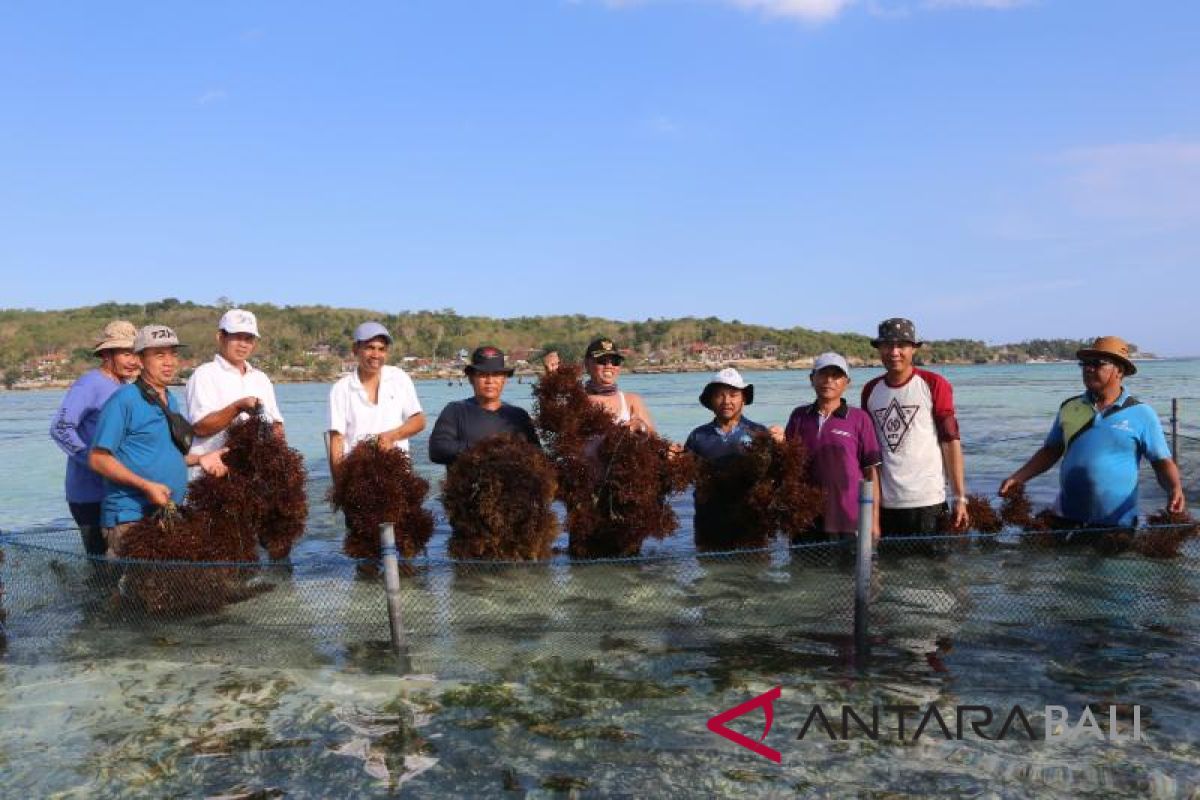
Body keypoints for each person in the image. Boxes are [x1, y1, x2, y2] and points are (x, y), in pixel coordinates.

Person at [999, 336, 1185, 532]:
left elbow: (1161, 463)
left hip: (1117, 526)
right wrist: (1018, 478)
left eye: (1097, 364)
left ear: (1119, 370)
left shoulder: (1141, 414)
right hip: (1065, 519)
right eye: (1085, 364)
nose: (1088, 369)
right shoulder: (1069, 407)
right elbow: (1050, 451)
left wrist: (1175, 489)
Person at [88, 325, 229, 556]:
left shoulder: (170, 399)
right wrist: (146, 486)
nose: (169, 362)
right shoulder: (124, 400)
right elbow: (98, 459)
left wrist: (200, 459)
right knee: (141, 588)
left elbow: (161, 454)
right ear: (140, 360)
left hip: (166, 514)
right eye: (159, 355)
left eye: (173, 354)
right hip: (130, 518)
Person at [861, 318, 969, 536]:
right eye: (887, 345)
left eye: (901, 345)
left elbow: (950, 441)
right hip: (887, 505)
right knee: (890, 568)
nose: (894, 352)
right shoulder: (870, 390)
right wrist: (872, 511)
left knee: (935, 569)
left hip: (928, 501)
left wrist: (959, 497)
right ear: (879, 349)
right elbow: (870, 455)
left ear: (913, 349)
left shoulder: (934, 384)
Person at [49, 320, 141, 555]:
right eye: (126, 353)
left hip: (119, 491)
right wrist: (92, 460)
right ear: (107, 354)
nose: (133, 360)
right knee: (101, 566)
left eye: (136, 354)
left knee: (125, 563)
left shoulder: (126, 387)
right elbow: (60, 428)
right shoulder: (90, 383)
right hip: (89, 495)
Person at [785, 353, 882, 539]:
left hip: (848, 518)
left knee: (847, 568)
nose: (828, 380)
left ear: (847, 382)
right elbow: (788, 467)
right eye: (822, 374)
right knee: (803, 568)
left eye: (836, 375)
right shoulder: (798, 416)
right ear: (812, 379)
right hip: (805, 518)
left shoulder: (859, 418)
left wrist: (874, 520)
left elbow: (871, 473)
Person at [185, 309, 286, 472]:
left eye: (249, 339)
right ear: (220, 337)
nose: (243, 344)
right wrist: (237, 407)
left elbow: (277, 425)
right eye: (237, 337)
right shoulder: (204, 374)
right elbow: (200, 428)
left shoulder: (261, 378)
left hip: (253, 474)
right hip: (211, 475)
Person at [327, 321, 425, 477]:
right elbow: (337, 440)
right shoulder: (341, 389)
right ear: (355, 349)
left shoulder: (399, 377)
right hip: (358, 478)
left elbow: (419, 421)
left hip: (397, 474)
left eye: (382, 349)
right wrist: (339, 486)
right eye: (370, 348)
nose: (376, 355)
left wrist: (392, 436)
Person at [429, 346, 539, 466]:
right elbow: (437, 450)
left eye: (496, 374)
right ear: (471, 378)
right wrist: (488, 449)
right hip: (466, 483)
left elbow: (537, 456)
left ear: (504, 379)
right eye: (483, 374)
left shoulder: (518, 415)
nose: (490, 380)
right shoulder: (455, 411)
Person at [684, 368, 781, 461]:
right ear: (711, 401)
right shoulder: (697, 436)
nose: (726, 401)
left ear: (743, 399)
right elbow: (686, 473)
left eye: (733, 395)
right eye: (719, 395)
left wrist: (781, 445)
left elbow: (777, 469)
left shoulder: (759, 433)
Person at [582, 336, 656, 433]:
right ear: (587, 364)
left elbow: (655, 438)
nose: (609, 366)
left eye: (615, 362)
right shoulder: (577, 401)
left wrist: (641, 427)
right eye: (602, 361)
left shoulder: (632, 401)